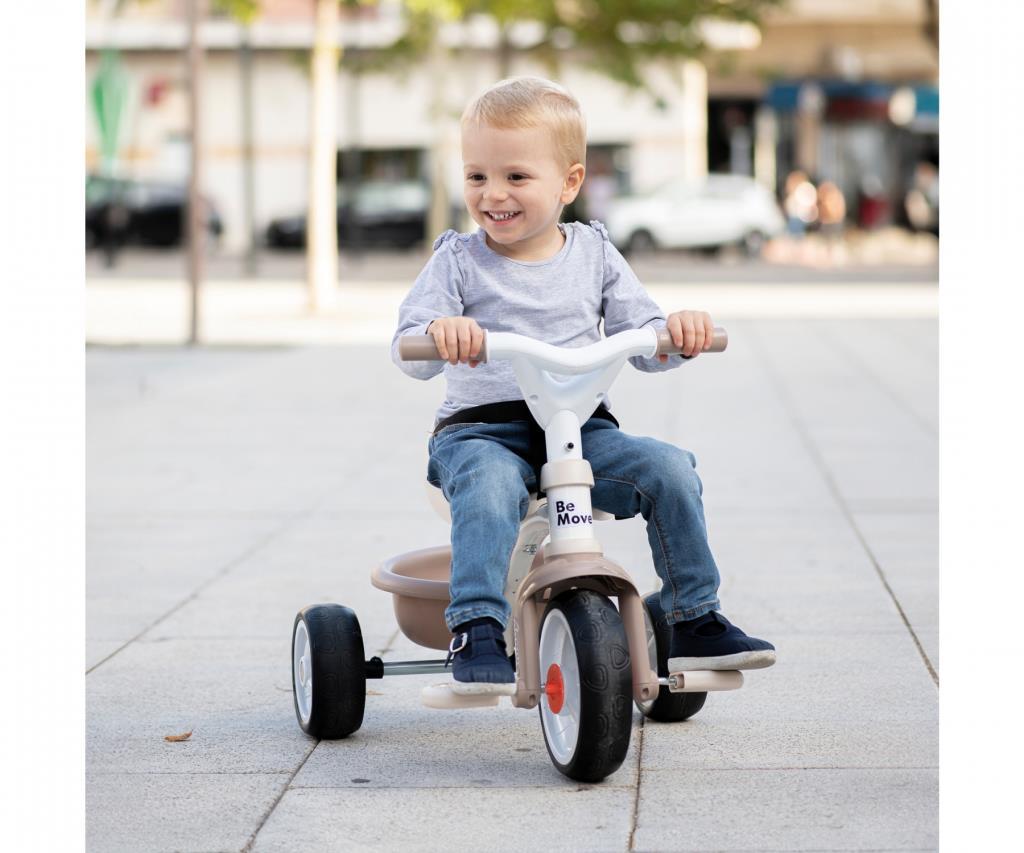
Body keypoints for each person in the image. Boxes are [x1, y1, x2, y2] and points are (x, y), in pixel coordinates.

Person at [391, 77, 775, 690]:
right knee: (490, 486)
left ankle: (693, 617)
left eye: (516, 176)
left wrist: (678, 332)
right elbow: (410, 350)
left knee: (670, 469)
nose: (493, 194)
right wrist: (439, 330)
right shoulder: (458, 260)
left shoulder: (595, 254)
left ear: (569, 183)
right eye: (476, 176)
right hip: (481, 433)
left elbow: (646, 341)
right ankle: (477, 626)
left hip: (578, 430)